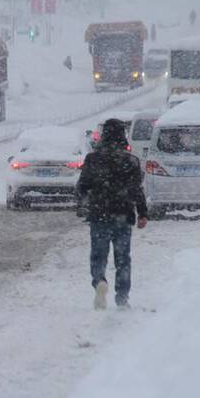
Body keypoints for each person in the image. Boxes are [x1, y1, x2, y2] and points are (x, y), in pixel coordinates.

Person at [76, 119, 148, 310]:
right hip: (123, 216)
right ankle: (122, 297)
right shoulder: (131, 161)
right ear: (122, 136)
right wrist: (142, 213)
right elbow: (136, 190)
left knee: (98, 256)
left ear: (104, 135)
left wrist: (83, 205)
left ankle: (100, 281)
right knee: (123, 258)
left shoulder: (92, 159)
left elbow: (82, 187)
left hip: (99, 215)